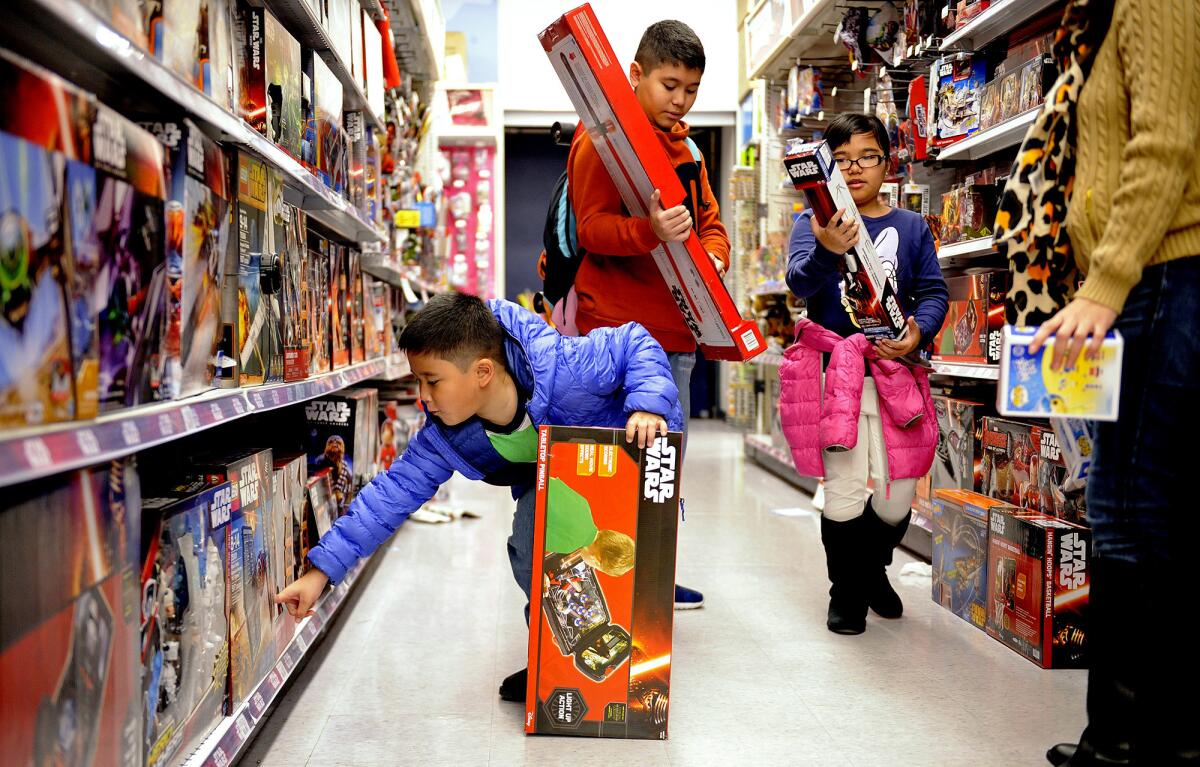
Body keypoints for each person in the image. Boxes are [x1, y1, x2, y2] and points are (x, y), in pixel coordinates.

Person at [274, 293, 683, 704]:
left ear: (483, 372)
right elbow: (390, 494)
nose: (424, 397)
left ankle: (637, 650)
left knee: (631, 565)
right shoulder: (447, 433)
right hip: (553, 482)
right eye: (418, 380)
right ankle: (548, 655)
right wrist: (320, 572)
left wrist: (647, 406)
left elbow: (634, 341)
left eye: (432, 381)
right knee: (532, 552)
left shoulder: (565, 368)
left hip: (632, 462)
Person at [997, 0, 1200, 764]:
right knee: (1135, 509)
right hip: (1145, 279)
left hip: (1164, 276)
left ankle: (1136, 742)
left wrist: (1105, 281)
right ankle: (1131, 738)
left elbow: (1168, 140)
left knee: (1136, 514)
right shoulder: (1097, 18)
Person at [568, 19, 728, 610]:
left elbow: (710, 223)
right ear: (635, 75)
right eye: (669, 85)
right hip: (610, 334)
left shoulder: (686, 149)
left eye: (691, 88)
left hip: (675, 334)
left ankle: (654, 572)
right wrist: (649, 231)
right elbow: (591, 229)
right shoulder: (600, 141)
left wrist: (712, 256)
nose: (680, 100)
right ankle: (605, 582)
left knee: (663, 464)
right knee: (611, 461)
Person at [785, 113, 948, 635]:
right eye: (843, 159)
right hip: (837, 374)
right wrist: (828, 251)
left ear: (887, 162)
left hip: (896, 374)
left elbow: (934, 292)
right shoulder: (809, 221)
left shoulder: (910, 226)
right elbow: (800, 284)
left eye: (868, 157)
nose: (855, 169)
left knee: (899, 493)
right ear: (826, 168)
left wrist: (919, 332)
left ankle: (871, 570)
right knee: (845, 488)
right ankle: (847, 593)